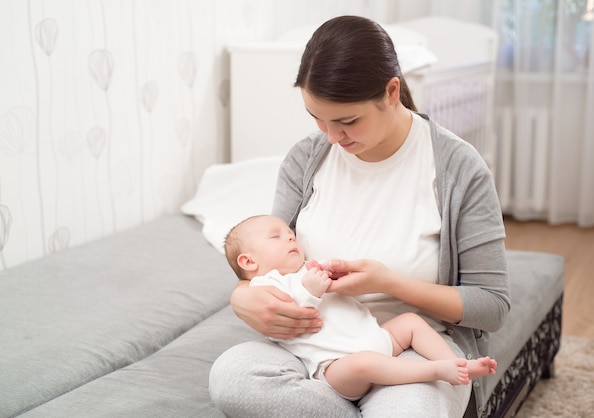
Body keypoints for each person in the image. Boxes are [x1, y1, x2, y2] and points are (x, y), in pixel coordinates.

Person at [209, 15, 510, 418]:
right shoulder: (306, 159)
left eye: (347, 121)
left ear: (391, 92)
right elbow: (268, 254)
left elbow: (491, 305)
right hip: (315, 353)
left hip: (409, 350)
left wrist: (390, 283)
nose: (332, 137)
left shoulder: (458, 169)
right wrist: (241, 298)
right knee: (232, 377)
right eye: (318, 118)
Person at [223, 214, 497, 400]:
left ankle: (455, 363)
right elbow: (282, 319)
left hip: (378, 336)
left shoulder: (308, 267)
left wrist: (335, 276)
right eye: (276, 237)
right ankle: (438, 371)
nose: (291, 238)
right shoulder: (265, 287)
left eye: (290, 233)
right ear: (248, 262)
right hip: (337, 366)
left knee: (411, 322)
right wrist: (310, 291)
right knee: (364, 363)